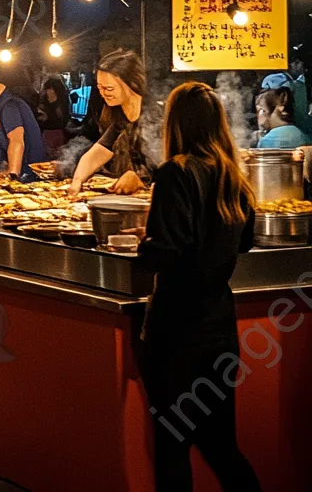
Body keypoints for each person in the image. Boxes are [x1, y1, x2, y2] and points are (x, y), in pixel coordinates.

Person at [137, 82, 261, 492]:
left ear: (177, 123)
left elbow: (166, 252)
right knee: (221, 445)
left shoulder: (176, 172)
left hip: (176, 332)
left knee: (173, 445)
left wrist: (143, 243)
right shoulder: (233, 174)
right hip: (221, 329)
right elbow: (244, 242)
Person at [69, 49, 150, 196]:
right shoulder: (122, 118)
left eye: (109, 88)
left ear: (132, 84)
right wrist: (77, 180)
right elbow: (99, 151)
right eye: (100, 87)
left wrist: (138, 177)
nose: (103, 93)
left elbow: (170, 164)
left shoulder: (155, 116)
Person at [36, 76, 71, 156]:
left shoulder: (62, 103)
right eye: (46, 89)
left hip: (58, 133)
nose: (47, 91)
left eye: (49, 89)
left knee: (57, 156)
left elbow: (63, 118)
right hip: (46, 132)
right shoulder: (43, 102)